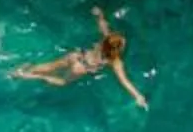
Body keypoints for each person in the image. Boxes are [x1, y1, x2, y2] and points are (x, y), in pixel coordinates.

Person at [12, 8, 147, 108]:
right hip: (82, 68)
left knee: (48, 66)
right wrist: (138, 96)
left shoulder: (106, 39)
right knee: (62, 81)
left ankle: (18, 71)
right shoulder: (115, 61)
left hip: (76, 56)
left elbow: (103, 26)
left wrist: (99, 15)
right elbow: (125, 82)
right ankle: (33, 76)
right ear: (116, 51)